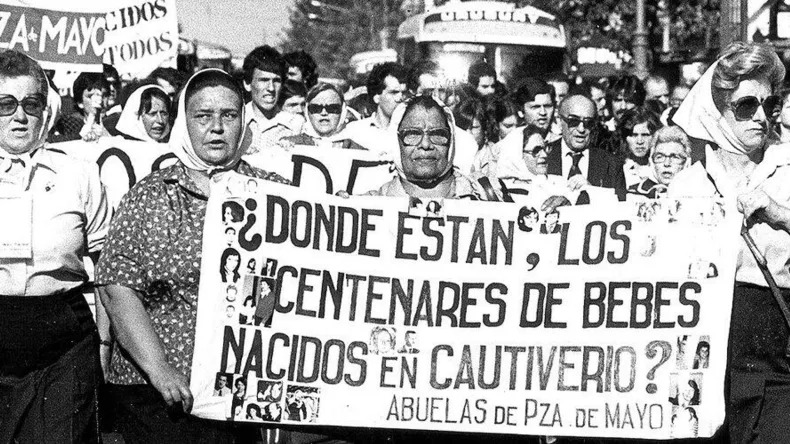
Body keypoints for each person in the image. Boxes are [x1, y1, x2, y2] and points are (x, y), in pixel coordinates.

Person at [96, 68, 290, 443]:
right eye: (203, 116)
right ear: (184, 122)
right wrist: (161, 371)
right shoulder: (150, 196)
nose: (216, 127)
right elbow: (116, 288)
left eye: (229, 116)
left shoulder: (275, 195)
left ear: (244, 122)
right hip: (158, 397)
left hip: (241, 397)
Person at [669, 41, 790, 442]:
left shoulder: (787, 170)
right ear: (718, 110)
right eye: (746, 105)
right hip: (704, 352)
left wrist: (779, 213)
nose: (761, 117)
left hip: (775, 346)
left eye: (770, 106)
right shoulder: (688, 184)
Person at [0, 49, 110, 444]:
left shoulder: (78, 173)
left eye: (31, 103)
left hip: (61, 339)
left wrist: (106, 341)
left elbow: (106, 266)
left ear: (46, 109)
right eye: (5, 104)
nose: (19, 116)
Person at [364, 95, 486, 200]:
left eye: (437, 134)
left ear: (451, 140)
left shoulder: (483, 195)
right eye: (412, 134)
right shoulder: (371, 204)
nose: (426, 144)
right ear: (396, 142)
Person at [546, 94, 627, 201]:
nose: (581, 129)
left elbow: (621, 206)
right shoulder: (545, 155)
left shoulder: (611, 164)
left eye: (588, 123)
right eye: (574, 121)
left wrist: (593, 192)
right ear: (560, 121)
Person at [406, 61, 477, 173]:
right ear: (412, 93)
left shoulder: (465, 141)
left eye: (441, 91)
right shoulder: (396, 135)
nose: (436, 97)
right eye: (428, 91)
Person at [242, 45, 303, 153]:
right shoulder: (236, 121)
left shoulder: (296, 124)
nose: (271, 88)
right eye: (263, 80)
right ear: (247, 84)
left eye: (276, 81)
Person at [280, 83, 365, 150]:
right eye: (316, 108)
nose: (324, 113)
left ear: (343, 111)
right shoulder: (290, 143)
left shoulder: (358, 151)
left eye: (332, 108)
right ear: (307, 111)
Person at [345, 62, 407, 152]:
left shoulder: (412, 133)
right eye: (394, 92)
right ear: (376, 97)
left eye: (405, 93)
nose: (401, 98)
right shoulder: (355, 131)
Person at [628, 125, 691, 199]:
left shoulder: (698, 193)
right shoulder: (633, 194)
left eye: (675, 157)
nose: (667, 163)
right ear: (651, 162)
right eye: (660, 157)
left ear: (687, 163)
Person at [50, 72, 110, 142]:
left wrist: (107, 136)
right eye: (90, 96)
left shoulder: (116, 122)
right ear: (80, 102)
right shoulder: (68, 127)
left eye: (104, 95)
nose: (100, 101)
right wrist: (81, 135)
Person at [617, 107, 661, 188]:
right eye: (634, 135)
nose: (640, 141)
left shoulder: (661, 167)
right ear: (625, 137)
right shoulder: (617, 168)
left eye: (645, 135)